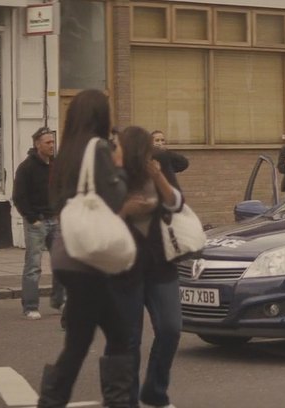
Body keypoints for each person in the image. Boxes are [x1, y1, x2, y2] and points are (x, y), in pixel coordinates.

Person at [38, 89, 140, 407]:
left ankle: (58, 400)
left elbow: (56, 201)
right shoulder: (97, 149)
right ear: (100, 115)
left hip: (68, 252)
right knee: (111, 338)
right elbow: (115, 198)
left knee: (88, 339)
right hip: (88, 258)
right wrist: (121, 168)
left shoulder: (67, 152)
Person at [112, 126, 183, 408]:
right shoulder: (110, 174)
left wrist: (158, 177)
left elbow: (176, 203)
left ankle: (154, 391)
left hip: (160, 264)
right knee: (128, 340)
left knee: (170, 328)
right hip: (124, 269)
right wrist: (124, 211)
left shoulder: (160, 164)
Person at [13, 127, 61, 320]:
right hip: (37, 221)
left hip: (55, 219)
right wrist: (32, 218)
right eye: (48, 142)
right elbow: (19, 196)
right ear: (37, 144)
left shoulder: (56, 165)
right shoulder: (26, 167)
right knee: (33, 264)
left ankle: (59, 300)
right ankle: (30, 305)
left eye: (53, 142)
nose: (52, 145)